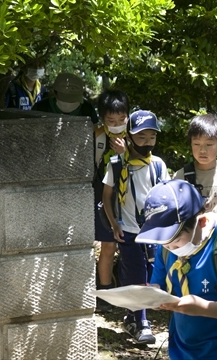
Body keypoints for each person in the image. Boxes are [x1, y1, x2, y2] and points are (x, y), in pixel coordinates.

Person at [135, 179, 217, 360]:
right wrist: (153, 295)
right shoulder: (165, 249)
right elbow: (160, 284)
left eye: (175, 239)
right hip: (181, 350)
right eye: (163, 241)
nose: (170, 247)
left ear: (201, 222)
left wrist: (203, 307)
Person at [102, 109, 170, 344]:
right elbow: (108, 195)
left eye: (152, 137)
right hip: (128, 230)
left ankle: (132, 315)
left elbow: (166, 197)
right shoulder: (117, 163)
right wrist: (113, 224)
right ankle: (141, 322)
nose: (147, 143)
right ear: (129, 137)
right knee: (136, 274)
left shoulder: (158, 165)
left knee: (151, 275)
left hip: (152, 233)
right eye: (141, 137)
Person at [92, 89, 130, 312]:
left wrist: (126, 153)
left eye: (121, 119)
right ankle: (104, 293)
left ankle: (129, 292)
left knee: (130, 246)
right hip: (103, 195)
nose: (117, 124)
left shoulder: (135, 135)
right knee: (108, 245)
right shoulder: (97, 136)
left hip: (129, 197)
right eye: (111, 120)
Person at [31, 72, 98, 124]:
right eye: (65, 98)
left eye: (73, 100)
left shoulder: (87, 110)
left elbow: (95, 134)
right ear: (55, 93)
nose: (69, 103)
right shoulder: (40, 108)